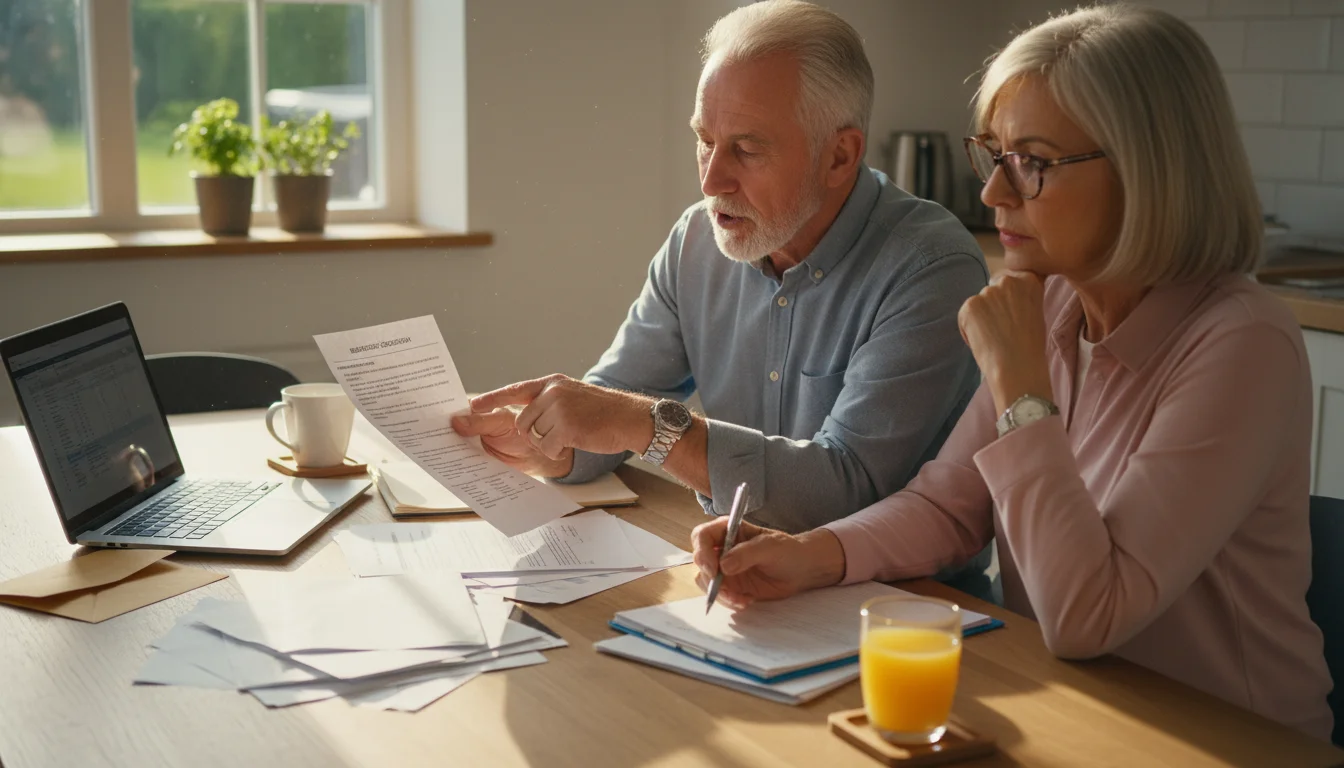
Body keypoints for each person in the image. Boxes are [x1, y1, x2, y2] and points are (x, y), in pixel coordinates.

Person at [690, 4, 1333, 740]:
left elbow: (1088, 615)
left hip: (1223, 741)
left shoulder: (1241, 343)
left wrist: (1022, 389)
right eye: (993, 156)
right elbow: (947, 506)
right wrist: (810, 556)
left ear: (1145, 167)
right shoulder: (1054, 307)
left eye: (1031, 162)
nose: (994, 193)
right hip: (1075, 707)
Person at [453, 2, 988, 545]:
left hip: (909, 610)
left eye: (747, 149)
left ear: (840, 157)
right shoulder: (696, 241)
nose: (711, 181)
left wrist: (648, 427)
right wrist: (551, 442)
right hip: (746, 581)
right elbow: (613, 404)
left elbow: (844, 491)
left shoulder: (932, 269)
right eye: (704, 141)